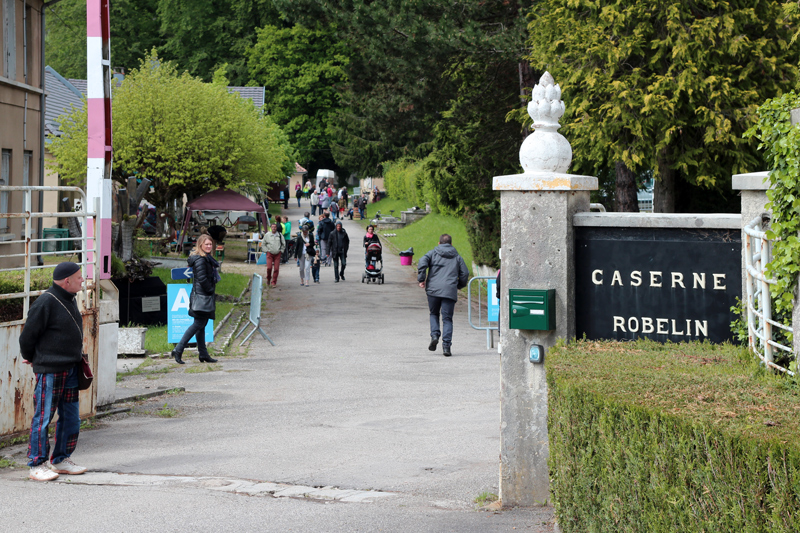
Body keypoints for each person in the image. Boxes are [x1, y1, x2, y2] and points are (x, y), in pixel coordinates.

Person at [19, 262, 88, 481]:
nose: (82, 280)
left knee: (71, 418)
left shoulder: (69, 299)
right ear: (66, 280)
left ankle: (60, 459)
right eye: (79, 277)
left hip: (70, 368)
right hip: (50, 369)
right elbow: (27, 336)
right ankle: (37, 464)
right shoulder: (46, 302)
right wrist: (31, 357)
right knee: (43, 417)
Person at [417, 234, 469, 357]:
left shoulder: (432, 253)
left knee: (434, 313)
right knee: (447, 319)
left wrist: (421, 278)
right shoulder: (457, 257)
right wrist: (459, 285)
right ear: (451, 244)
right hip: (449, 291)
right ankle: (446, 347)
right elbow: (465, 273)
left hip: (433, 290)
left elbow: (422, 261)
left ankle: (434, 335)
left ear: (439, 243)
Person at [172, 234, 220, 365]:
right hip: (201, 296)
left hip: (202, 296)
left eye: (210, 244)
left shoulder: (207, 258)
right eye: (206, 244)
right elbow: (202, 279)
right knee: (198, 324)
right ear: (200, 245)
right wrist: (210, 289)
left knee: (201, 325)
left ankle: (203, 354)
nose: (209, 246)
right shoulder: (201, 260)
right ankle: (178, 349)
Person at [261, 223, 285, 288]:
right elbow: (263, 244)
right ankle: (268, 278)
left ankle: (274, 282)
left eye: (275, 227)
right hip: (269, 253)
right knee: (269, 268)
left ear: (276, 228)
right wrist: (266, 251)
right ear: (270, 228)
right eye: (272, 227)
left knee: (276, 269)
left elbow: (283, 244)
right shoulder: (267, 235)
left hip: (277, 254)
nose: (274, 228)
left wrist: (281, 251)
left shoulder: (279, 235)